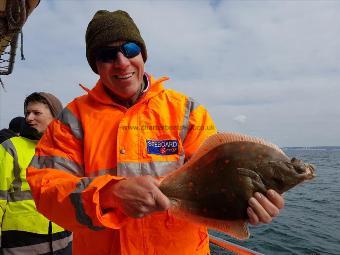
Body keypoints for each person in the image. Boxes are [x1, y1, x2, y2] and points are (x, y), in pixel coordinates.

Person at [26, 10, 285, 255]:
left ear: (143, 54)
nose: (122, 62)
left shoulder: (187, 112)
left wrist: (247, 207)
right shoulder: (73, 119)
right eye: (107, 55)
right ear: (96, 64)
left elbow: (220, 181)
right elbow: (45, 188)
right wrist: (108, 195)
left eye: (130, 50)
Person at [0, 92, 72, 254]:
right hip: (20, 242)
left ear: (55, 116)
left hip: (63, 240)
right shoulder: (11, 147)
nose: (29, 118)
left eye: (36, 113)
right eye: (27, 113)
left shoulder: (66, 150)